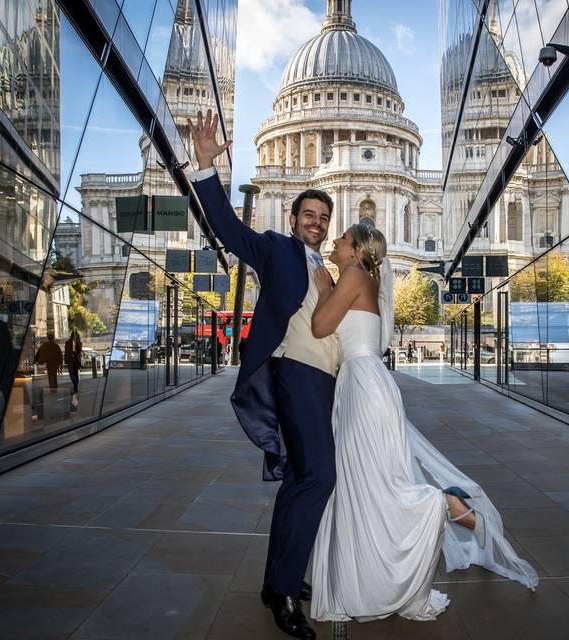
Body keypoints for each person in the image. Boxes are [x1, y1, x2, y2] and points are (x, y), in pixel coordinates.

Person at [308, 224, 537, 622]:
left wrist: (324, 287)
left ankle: (441, 502)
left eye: (343, 240)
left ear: (357, 250)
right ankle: (374, 575)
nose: (336, 243)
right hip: (361, 385)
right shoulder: (362, 276)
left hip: (363, 386)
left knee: (373, 481)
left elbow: (319, 326)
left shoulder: (355, 275)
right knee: (366, 480)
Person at [189, 110, 337, 640]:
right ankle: (285, 589)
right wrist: (206, 168)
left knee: (300, 479)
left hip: (325, 383)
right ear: (295, 217)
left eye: (323, 216)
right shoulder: (276, 248)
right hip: (293, 373)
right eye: (309, 214)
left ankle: (278, 584)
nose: (316, 221)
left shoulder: (330, 269)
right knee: (321, 476)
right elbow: (230, 231)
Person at [64, 330, 83, 395]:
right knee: (71, 375)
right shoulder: (67, 343)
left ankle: (75, 387)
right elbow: (66, 352)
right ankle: (75, 385)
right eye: (73, 335)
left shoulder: (79, 342)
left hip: (76, 361)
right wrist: (66, 360)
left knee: (76, 375)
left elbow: (80, 352)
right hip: (70, 361)